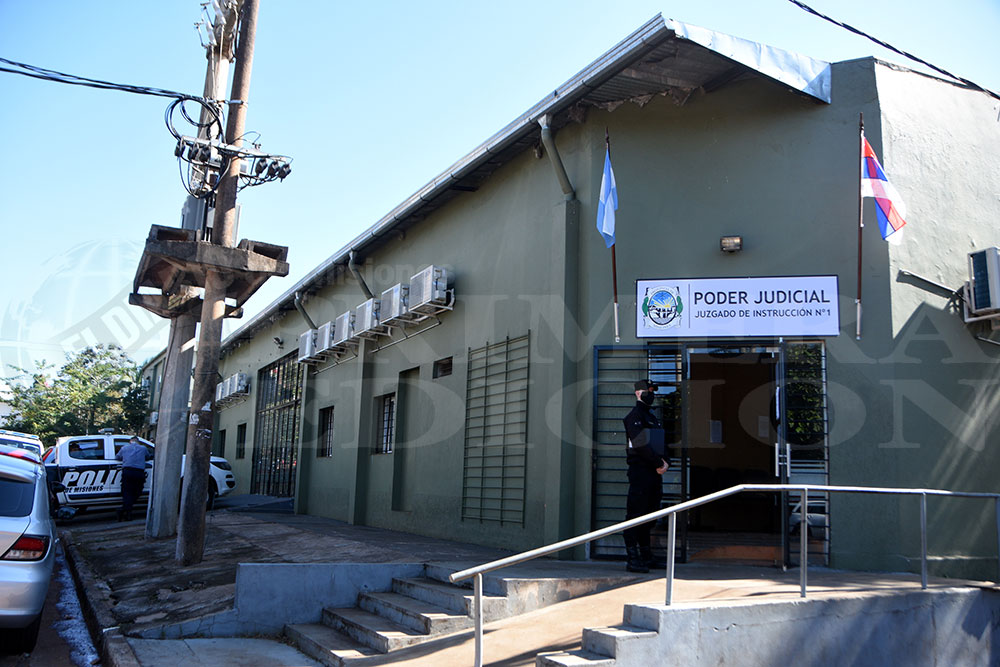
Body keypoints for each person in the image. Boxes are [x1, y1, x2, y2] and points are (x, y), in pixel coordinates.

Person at [622, 379, 669, 573]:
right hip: (640, 473)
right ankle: (633, 558)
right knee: (636, 514)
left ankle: (646, 556)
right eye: (647, 390)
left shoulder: (652, 418)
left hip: (654, 474)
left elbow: (661, 443)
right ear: (637, 393)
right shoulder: (634, 417)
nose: (651, 394)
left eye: (652, 391)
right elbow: (640, 444)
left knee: (650, 515)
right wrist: (658, 463)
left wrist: (665, 463)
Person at [115, 436, 151, 521]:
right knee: (137, 492)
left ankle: (125, 511)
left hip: (127, 472)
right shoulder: (143, 448)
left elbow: (117, 457)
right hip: (139, 472)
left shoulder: (124, 448)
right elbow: (148, 457)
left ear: (130, 441)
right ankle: (126, 512)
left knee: (127, 493)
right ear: (138, 441)